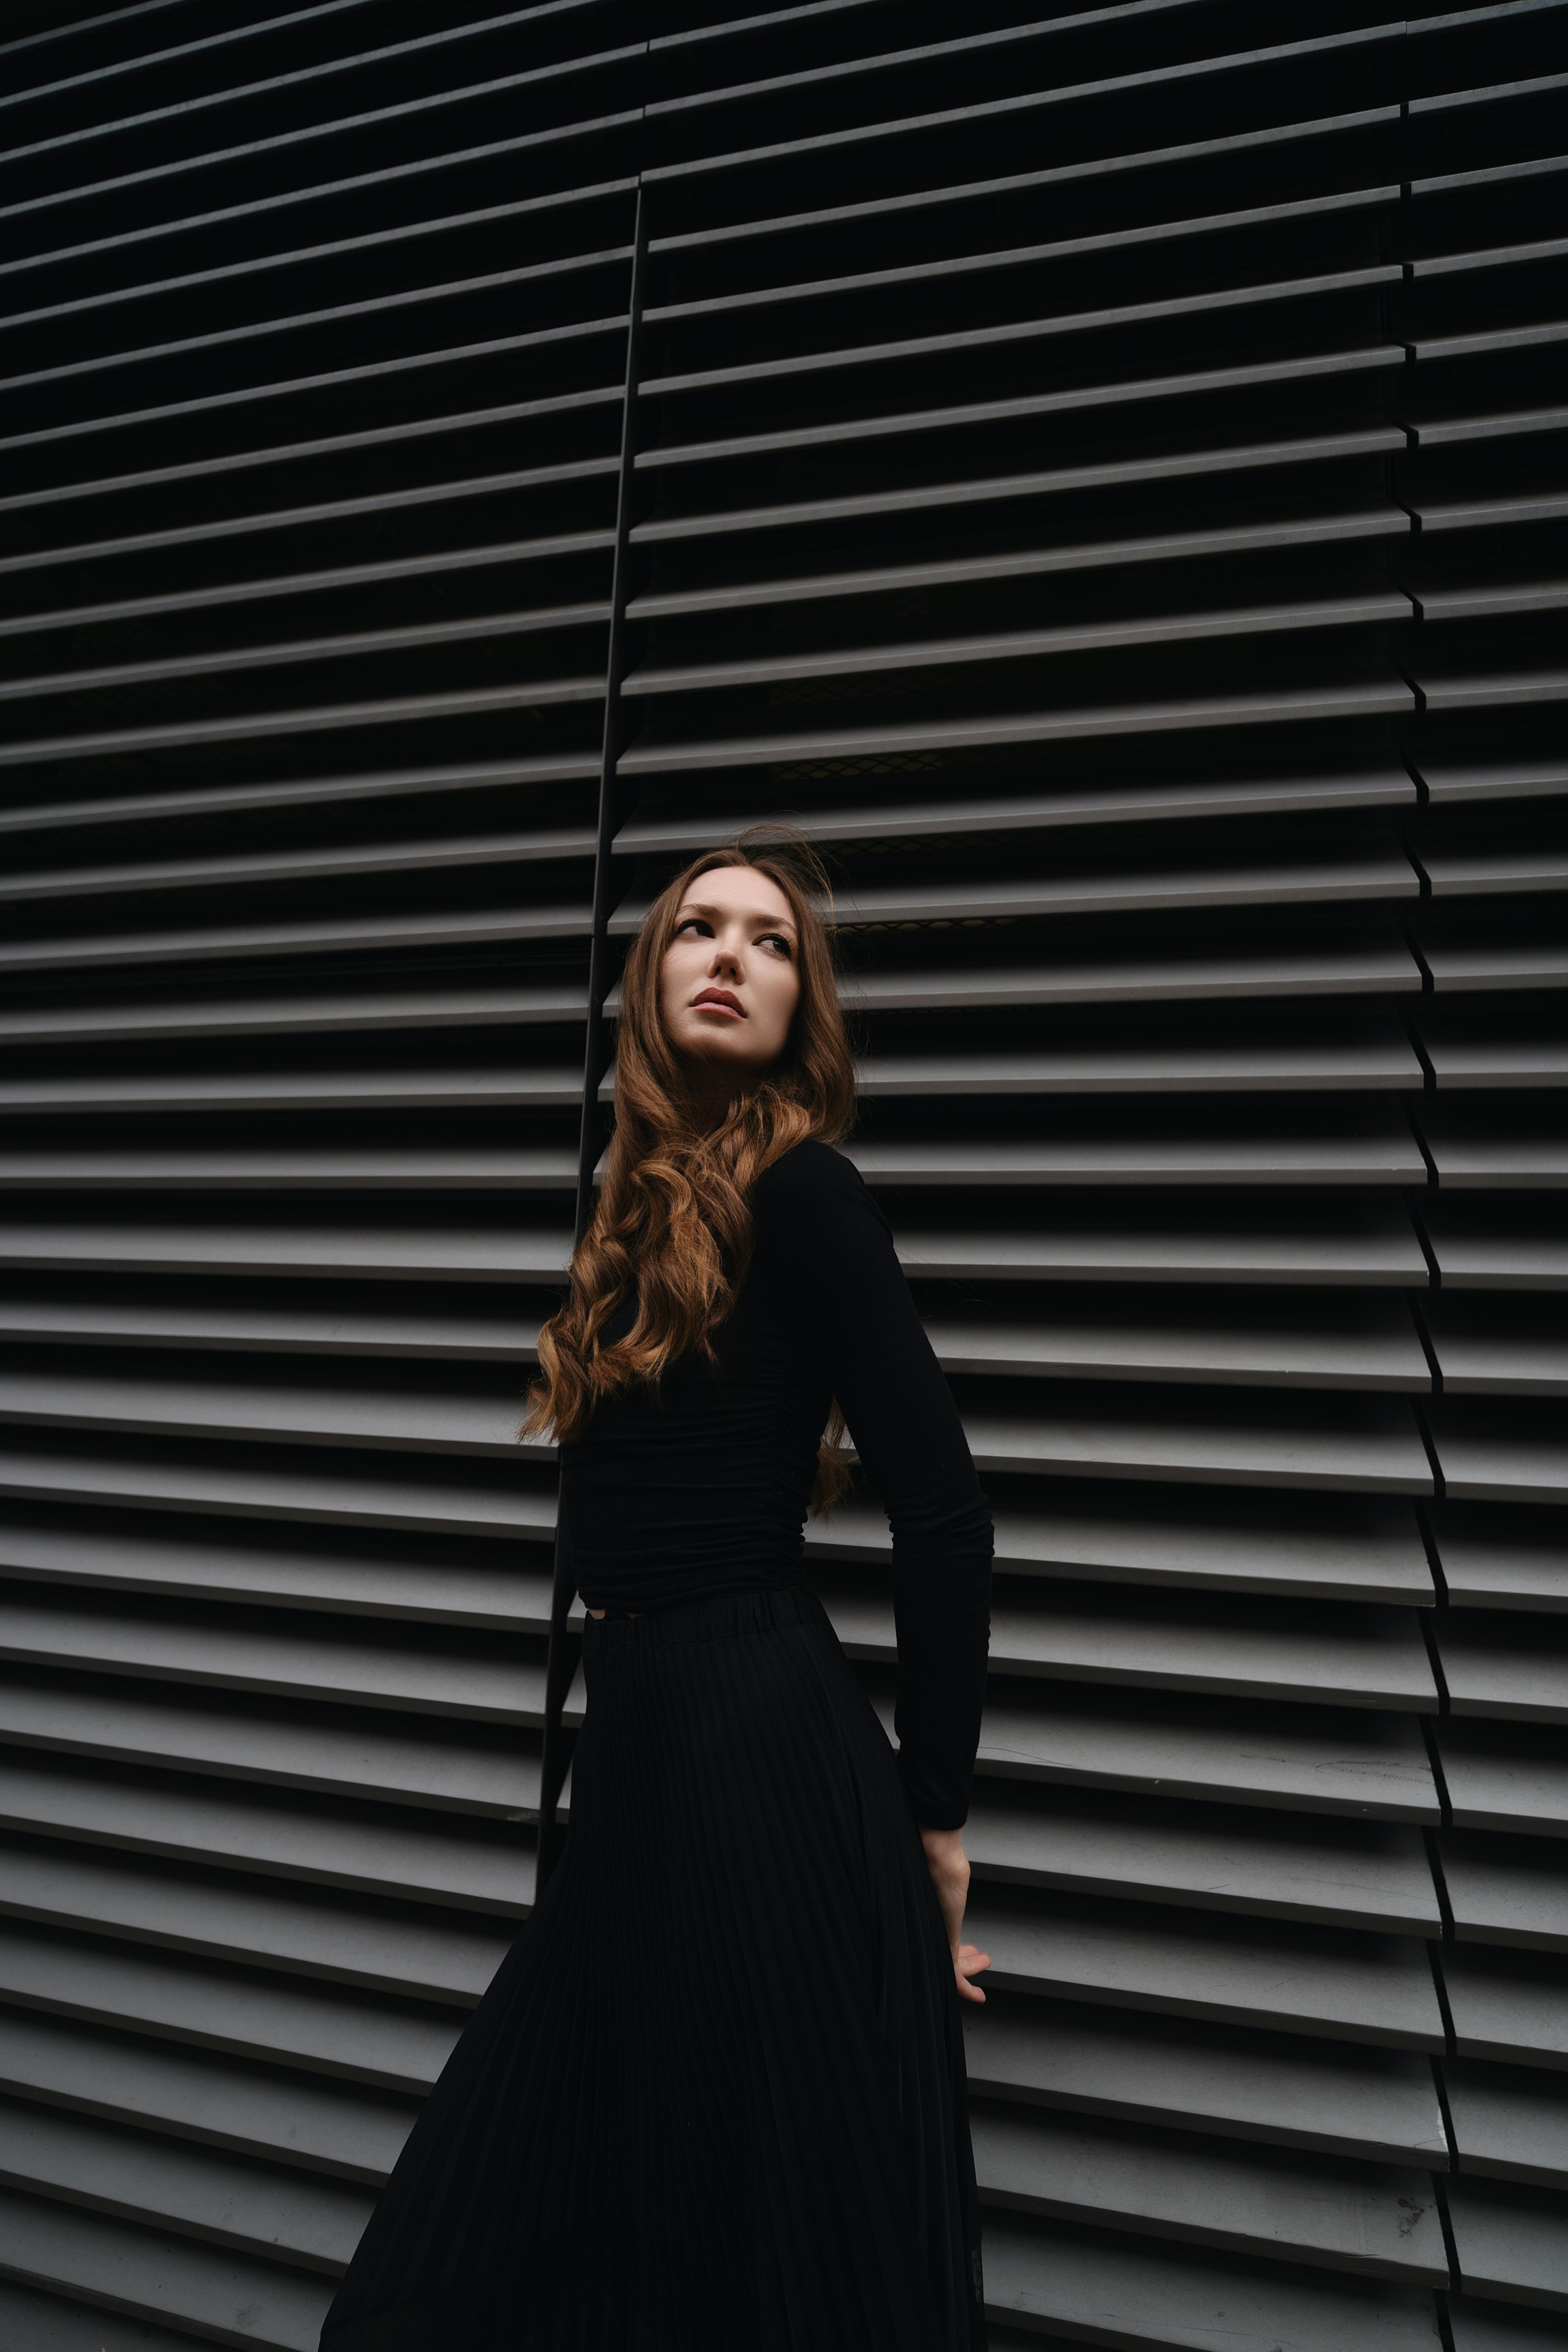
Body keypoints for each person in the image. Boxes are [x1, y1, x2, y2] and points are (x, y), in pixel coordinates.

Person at [319, 834, 995, 2351]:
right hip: (645, 1767)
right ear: (650, 977)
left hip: (756, 1751)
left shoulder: (808, 1194)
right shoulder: (643, 1214)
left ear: (800, 1009)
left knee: (772, 2270)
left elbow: (949, 1517)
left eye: (772, 941)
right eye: (700, 927)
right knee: (578, 2265)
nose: (732, 954)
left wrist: (932, 1825)